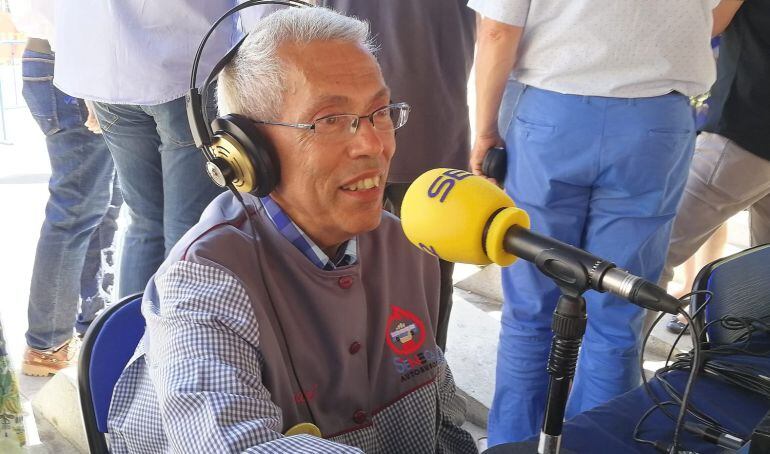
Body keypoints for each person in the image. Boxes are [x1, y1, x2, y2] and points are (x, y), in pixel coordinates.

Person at [106, 8, 477, 453]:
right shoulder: (202, 282)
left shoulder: (409, 244)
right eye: (330, 120)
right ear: (247, 152)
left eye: (380, 112)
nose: (374, 144)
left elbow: (442, 424)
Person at [468, 0, 743, 445]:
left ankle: (512, 444)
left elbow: (498, 29)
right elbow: (718, 12)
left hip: (551, 113)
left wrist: (483, 132)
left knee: (530, 309)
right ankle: (596, 444)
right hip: (656, 119)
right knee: (619, 313)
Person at [52, 1, 250, 298]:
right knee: (191, 224)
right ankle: (179, 339)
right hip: (188, 60)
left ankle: (135, 338)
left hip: (107, 65)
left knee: (143, 222)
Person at [313, 0, 475, 350]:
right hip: (435, 126)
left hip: (344, 132)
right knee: (425, 280)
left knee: (352, 271)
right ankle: (424, 379)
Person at [9, 0, 122, 377]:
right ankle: (46, 343)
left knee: (100, 203)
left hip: (63, 63)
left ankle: (89, 321)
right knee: (77, 207)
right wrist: (88, 81)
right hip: (71, 66)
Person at [660, 0, 769, 306]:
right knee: (763, 274)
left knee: (650, 254)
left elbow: (703, 26)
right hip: (750, 132)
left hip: (746, 130)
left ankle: (615, 356)